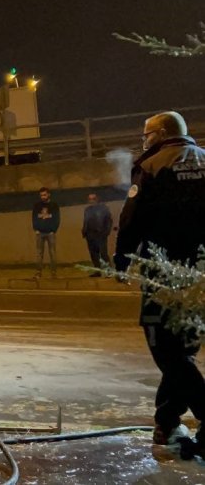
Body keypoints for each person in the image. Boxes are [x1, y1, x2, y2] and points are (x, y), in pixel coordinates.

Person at [114, 111, 205, 454]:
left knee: (165, 348)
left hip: (164, 269)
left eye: (146, 134)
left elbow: (132, 218)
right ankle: (166, 423)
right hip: (201, 271)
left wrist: (122, 258)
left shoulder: (152, 166)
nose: (144, 141)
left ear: (162, 133)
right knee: (184, 348)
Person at [81, 193, 113, 275]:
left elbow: (109, 221)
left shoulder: (103, 208)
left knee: (103, 253)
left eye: (93, 199)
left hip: (100, 234)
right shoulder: (87, 210)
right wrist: (84, 231)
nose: (91, 201)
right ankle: (97, 271)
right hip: (90, 234)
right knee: (94, 254)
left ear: (97, 199)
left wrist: (106, 232)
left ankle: (108, 270)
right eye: (90, 199)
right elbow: (86, 221)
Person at [32, 187, 60, 278]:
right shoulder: (37, 206)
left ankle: (53, 272)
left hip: (50, 233)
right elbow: (34, 218)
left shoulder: (54, 205)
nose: (43, 197)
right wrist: (36, 229)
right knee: (39, 253)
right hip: (40, 232)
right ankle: (38, 272)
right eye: (41, 195)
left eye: (44, 195)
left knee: (52, 253)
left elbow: (57, 219)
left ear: (48, 194)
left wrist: (53, 230)